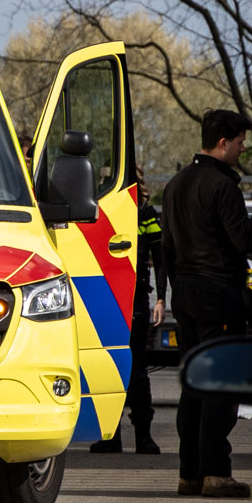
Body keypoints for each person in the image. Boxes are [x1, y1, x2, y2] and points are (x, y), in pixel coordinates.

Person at [160, 110, 252, 498]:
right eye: (240, 142)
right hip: (219, 295)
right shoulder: (222, 186)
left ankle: (189, 473)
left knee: (193, 385)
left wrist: (178, 287)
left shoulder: (175, 184)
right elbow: (243, 240)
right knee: (221, 385)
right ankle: (216, 472)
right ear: (223, 143)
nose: (243, 148)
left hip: (186, 294)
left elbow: (168, 248)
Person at [89, 187, 166, 454]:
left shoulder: (144, 213)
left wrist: (161, 298)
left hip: (134, 300)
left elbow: (160, 256)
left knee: (137, 370)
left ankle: (143, 436)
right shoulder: (99, 210)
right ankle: (110, 435)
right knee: (109, 366)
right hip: (108, 297)